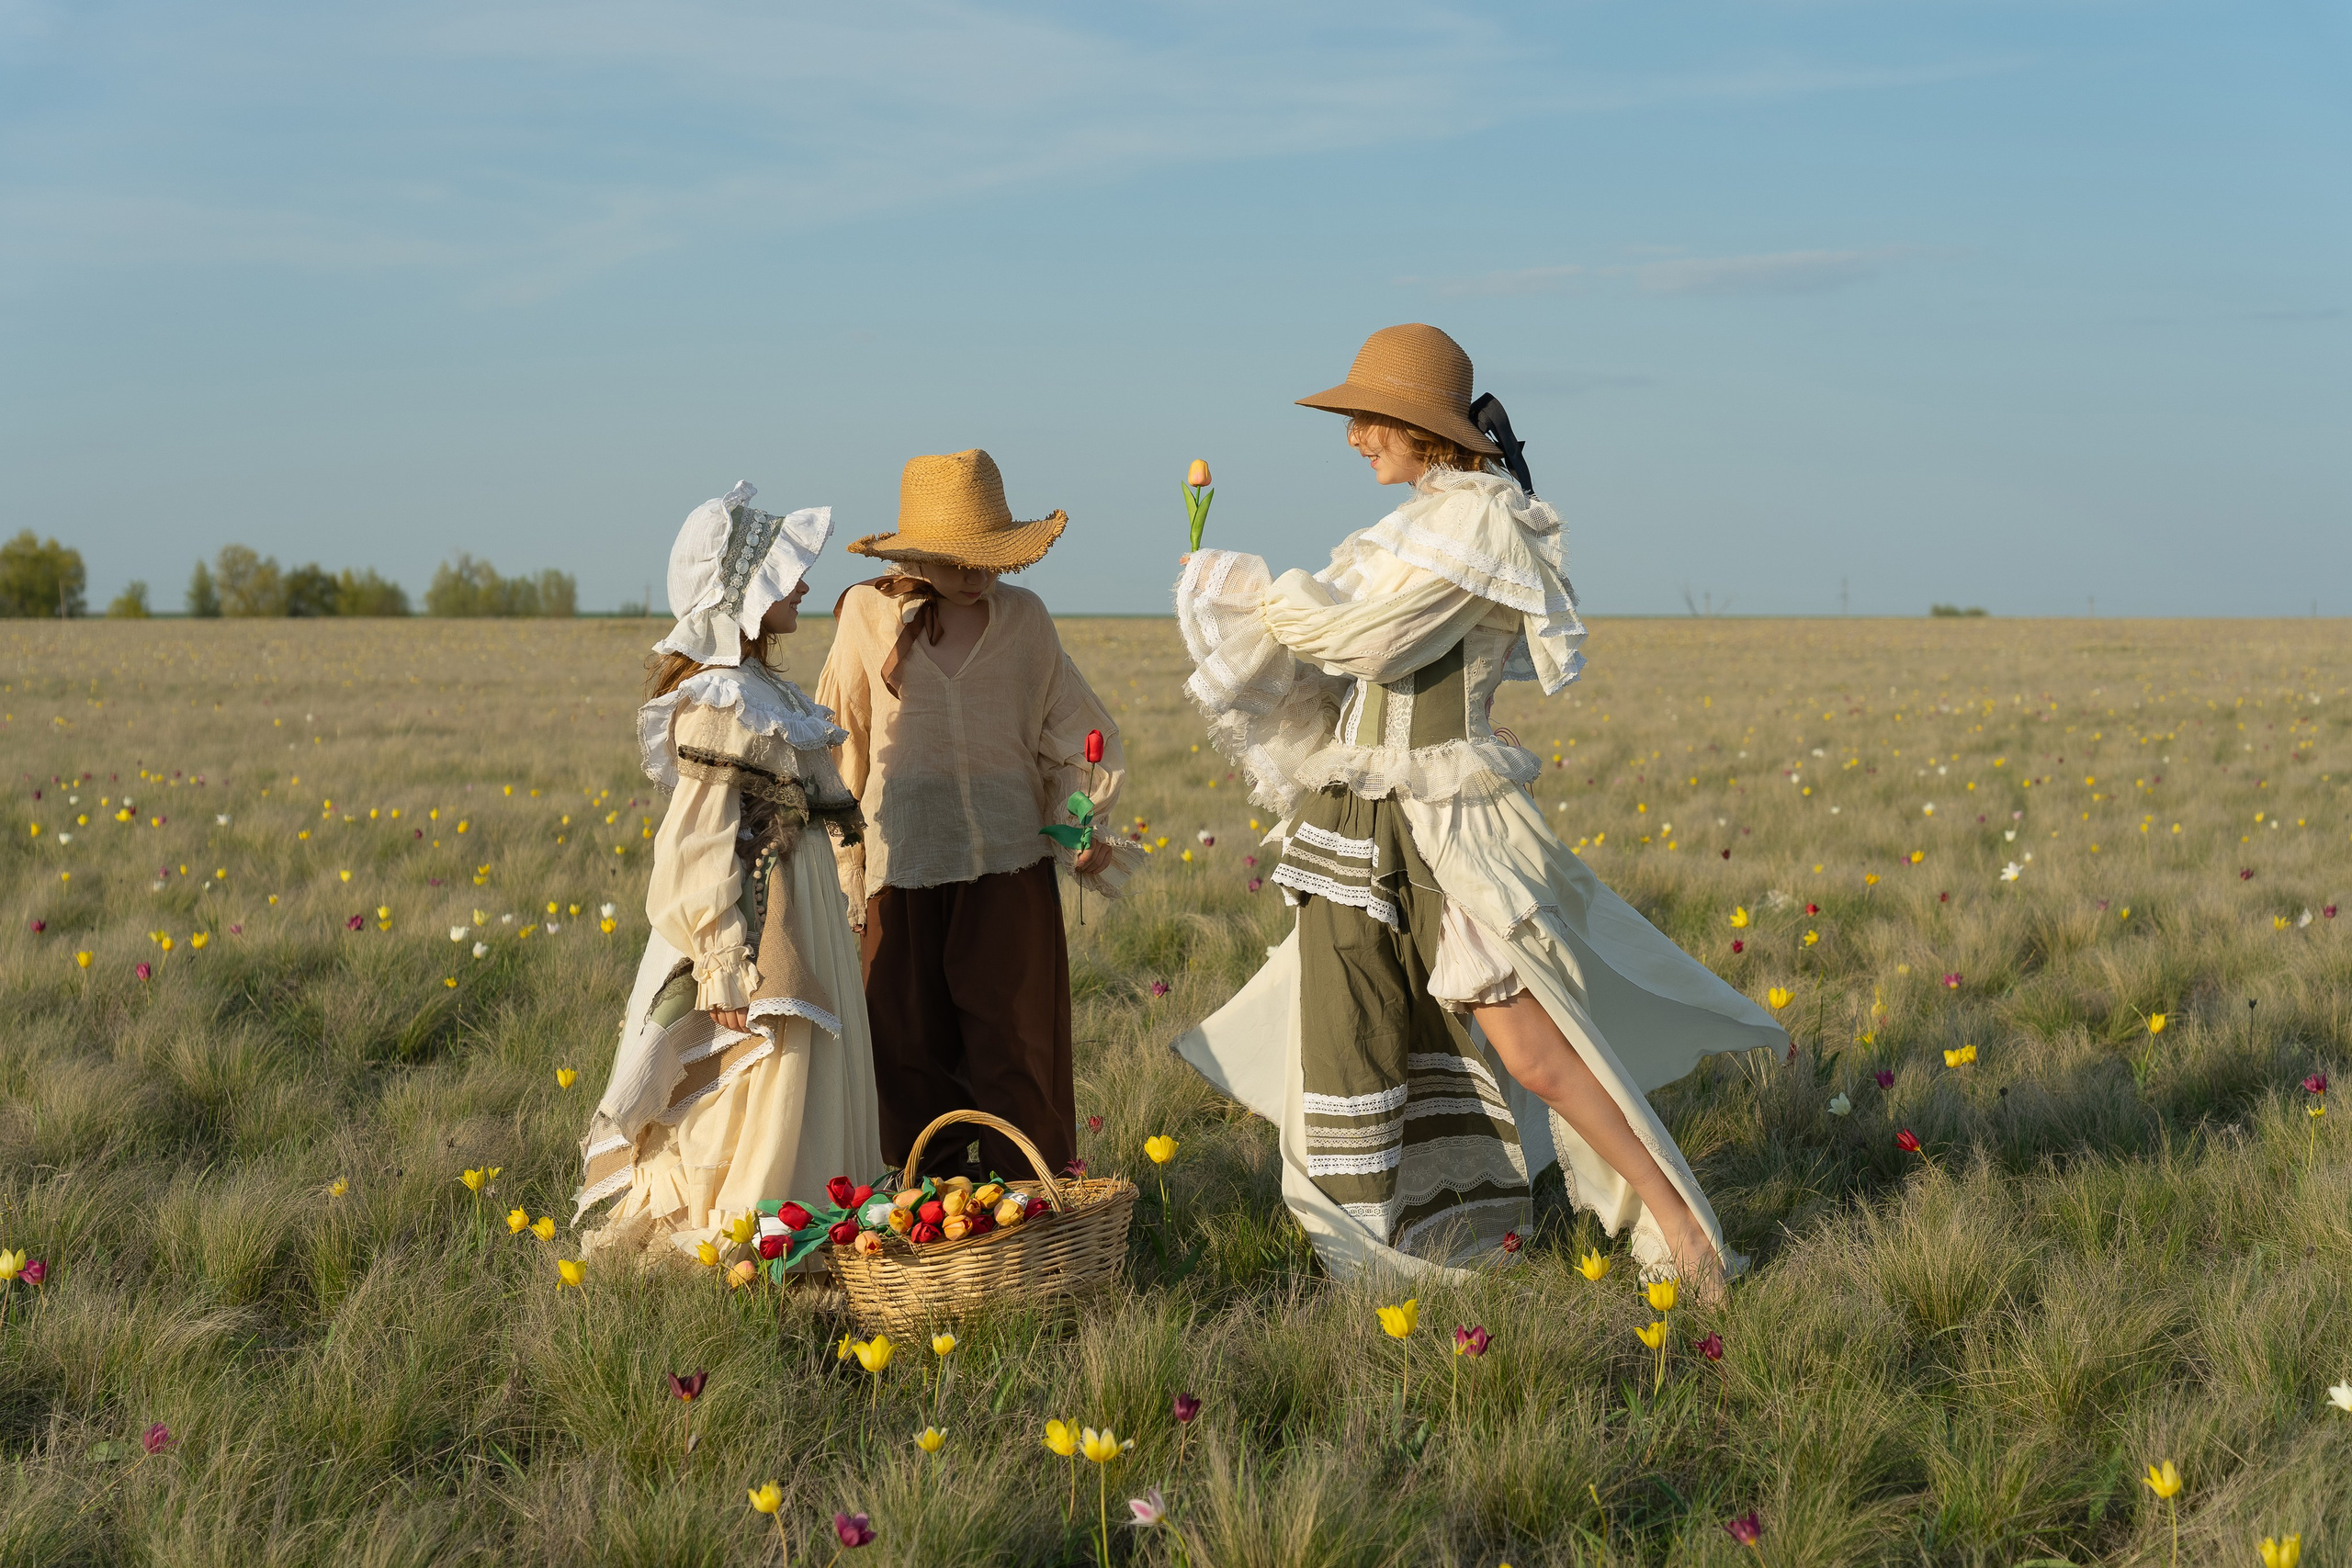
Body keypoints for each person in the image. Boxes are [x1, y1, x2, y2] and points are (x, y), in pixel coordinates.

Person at [1170, 325, 1784, 1297]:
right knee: (1352, 1027)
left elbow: (1363, 638)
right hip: (1362, 814)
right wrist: (1222, 611)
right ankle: (1397, 1240)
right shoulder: (1416, 522)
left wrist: (1259, 593)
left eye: (1367, 419)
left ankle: (1682, 1231)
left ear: (1424, 428)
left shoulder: (1475, 524)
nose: (1353, 438)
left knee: (1533, 1048)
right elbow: (1337, 669)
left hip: (1441, 817)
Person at [573, 481, 883, 1260]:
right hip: (758, 922)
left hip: (801, 911)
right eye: (786, 574)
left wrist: (847, 877)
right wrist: (720, 961)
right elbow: (696, 843)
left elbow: (825, 803)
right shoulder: (722, 700)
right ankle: (744, 1237)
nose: (804, 584)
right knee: (761, 1077)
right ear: (741, 594)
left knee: (808, 1075)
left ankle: (812, 1233)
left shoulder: (767, 691)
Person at [817, 448, 1143, 1184]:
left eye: (991, 557)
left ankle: (1030, 1226)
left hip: (1009, 872)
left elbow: (1078, 739)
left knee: (1018, 1056)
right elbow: (840, 751)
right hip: (900, 874)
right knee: (902, 1058)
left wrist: (1078, 824)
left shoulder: (1025, 621)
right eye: (961, 560)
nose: (980, 573)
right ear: (917, 553)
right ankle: (925, 1230)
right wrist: (847, 870)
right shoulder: (866, 618)